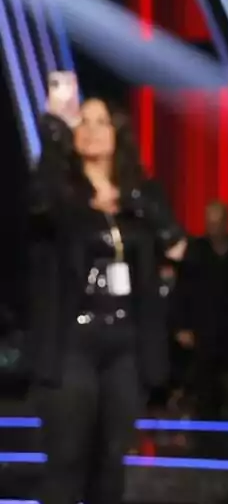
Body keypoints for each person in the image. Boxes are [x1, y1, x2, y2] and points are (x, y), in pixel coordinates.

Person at [27, 82, 185, 504]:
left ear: (118, 132)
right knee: (66, 460)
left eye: (102, 122)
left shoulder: (141, 195)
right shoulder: (62, 193)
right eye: (83, 121)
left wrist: (139, 202)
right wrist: (54, 128)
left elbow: (177, 246)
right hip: (72, 342)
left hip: (126, 345)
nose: (92, 130)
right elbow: (39, 204)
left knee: (111, 465)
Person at [174, 200, 228, 419]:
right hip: (204, 325)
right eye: (209, 222)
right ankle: (205, 437)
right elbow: (182, 289)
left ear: (227, 222)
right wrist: (182, 325)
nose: (213, 227)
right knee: (205, 386)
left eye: (218, 222)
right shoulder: (194, 249)